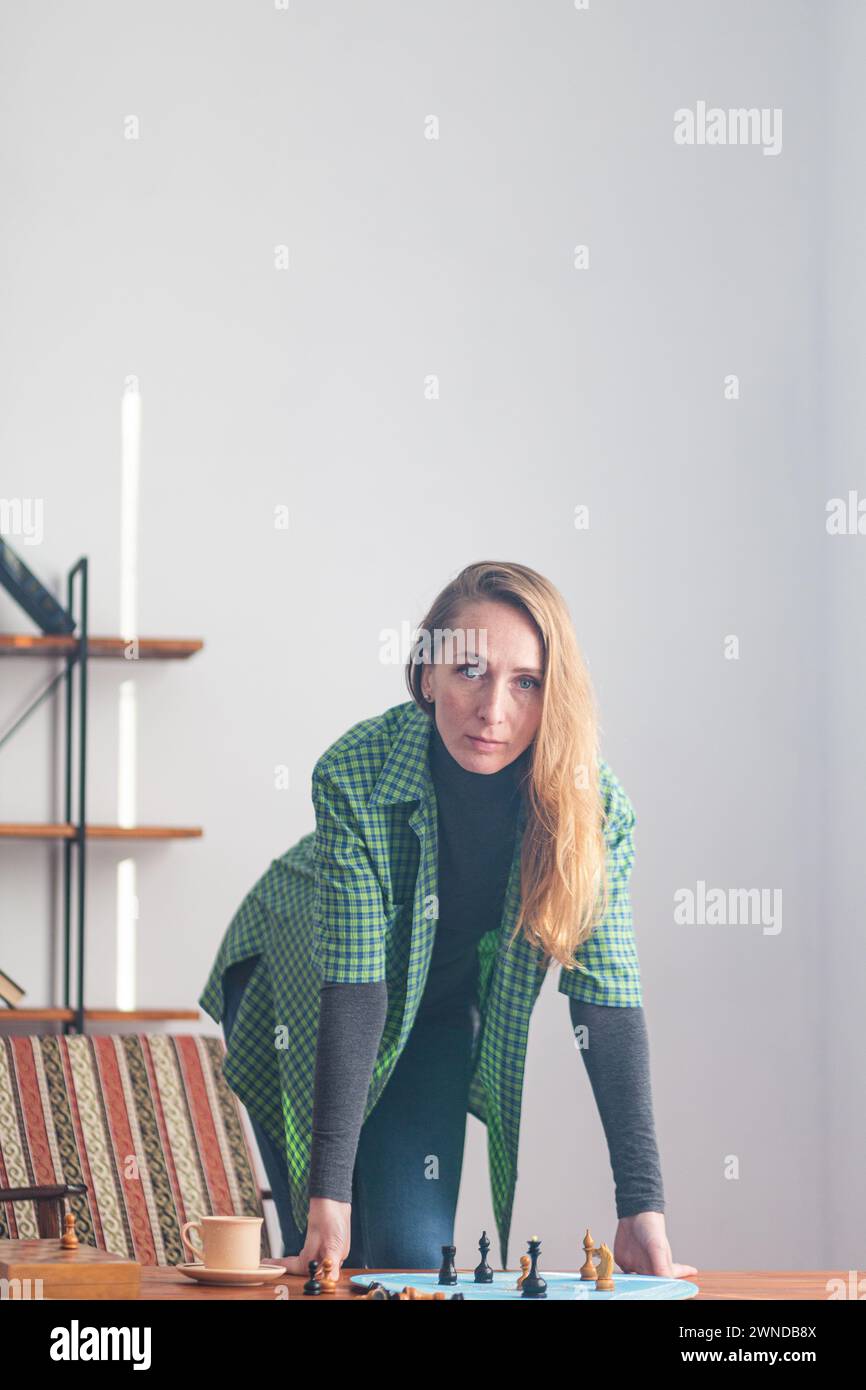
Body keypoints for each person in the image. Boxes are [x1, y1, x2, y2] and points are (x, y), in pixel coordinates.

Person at [198, 560, 696, 1281]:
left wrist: (641, 1207)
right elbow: (358, 987)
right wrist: (326, 1193)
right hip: (302, 983)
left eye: (526, 682)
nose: (494, 709)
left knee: (403, 1259)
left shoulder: (594, 810)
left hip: (433, 1012)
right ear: (426, 674)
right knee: (328, 1247)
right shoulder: (354, 773)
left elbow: (607, 1000)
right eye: (469, 670)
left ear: (552, 695)